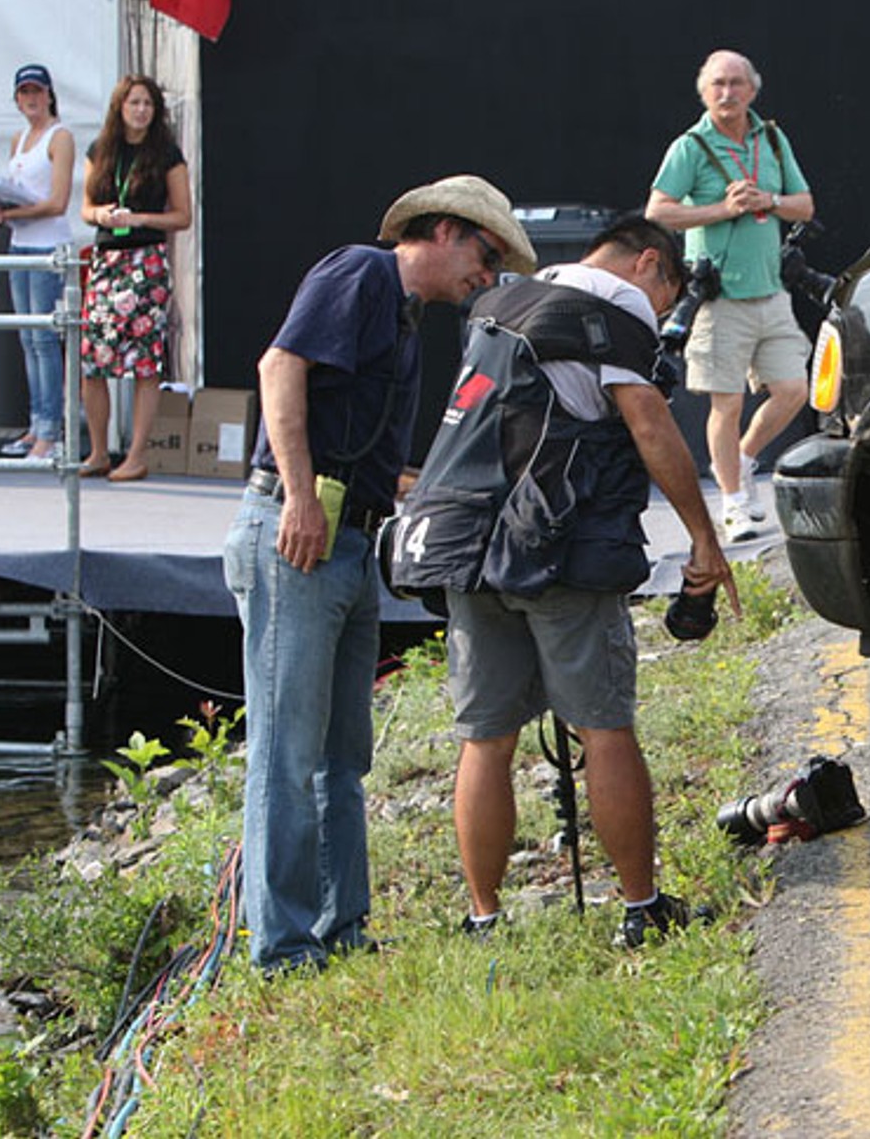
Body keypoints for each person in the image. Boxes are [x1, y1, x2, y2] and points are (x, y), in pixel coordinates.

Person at [224, 175, 535, 974]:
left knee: (341, 757)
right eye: (484, 253)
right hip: (300, 535)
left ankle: (340, 928)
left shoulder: (402, 317)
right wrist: (298, 497)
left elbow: (367, 450)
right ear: (438, 231)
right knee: (287, 754)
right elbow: (278, 367)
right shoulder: (360, 272)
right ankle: (283, 947)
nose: (487, 275)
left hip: (349, 542)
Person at [446, 215, 740, 948]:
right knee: (605, 728)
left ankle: (484, 919)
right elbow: (648, 425)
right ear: (649, 265)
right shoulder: (612, 314)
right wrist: (705, 539)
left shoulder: (500, 303)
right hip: (557, 549)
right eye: (667, 300)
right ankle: (641, 910)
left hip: (463, 542)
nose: (661, 317)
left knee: (486, 738)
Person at [646, 49, 814, 543]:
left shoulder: (773, 140)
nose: (727, 93)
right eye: (718, 84)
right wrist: (722, 209)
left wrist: (771, 202)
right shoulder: (691, 147)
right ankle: (734, 503)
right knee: (727, 403)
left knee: (794, 392)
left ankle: (740, 461)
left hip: (771, 293)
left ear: (753, 90)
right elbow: (658, 211)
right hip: (719, 296)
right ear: (704, 91)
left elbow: (804, 206)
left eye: (737, 83)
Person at [76, 75, 191, 481]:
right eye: (134, 103)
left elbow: (183, 215)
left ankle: (137, 454)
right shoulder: (100, 150)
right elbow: (85, 208)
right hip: (107, 260)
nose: (141, 110)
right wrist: (102, 215)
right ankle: (97, 450)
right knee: (93, 360)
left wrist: (141, 218)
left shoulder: (167, 155)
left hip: (147, 260)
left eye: (148, 104)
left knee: (144, 362)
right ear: (119, 108)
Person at [0, 64, 75, 460]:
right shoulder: (19, 139)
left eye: (37, 91)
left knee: (44, 339)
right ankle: (37, 423)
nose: (31, 99)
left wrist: (11, 215)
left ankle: (50, 430)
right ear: (17, 99)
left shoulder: (60, 136)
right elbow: (20, 193)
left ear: (50, 95)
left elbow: (57, 202)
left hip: (47, 247)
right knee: (27, 339)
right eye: (24, 93)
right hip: (20, 245)